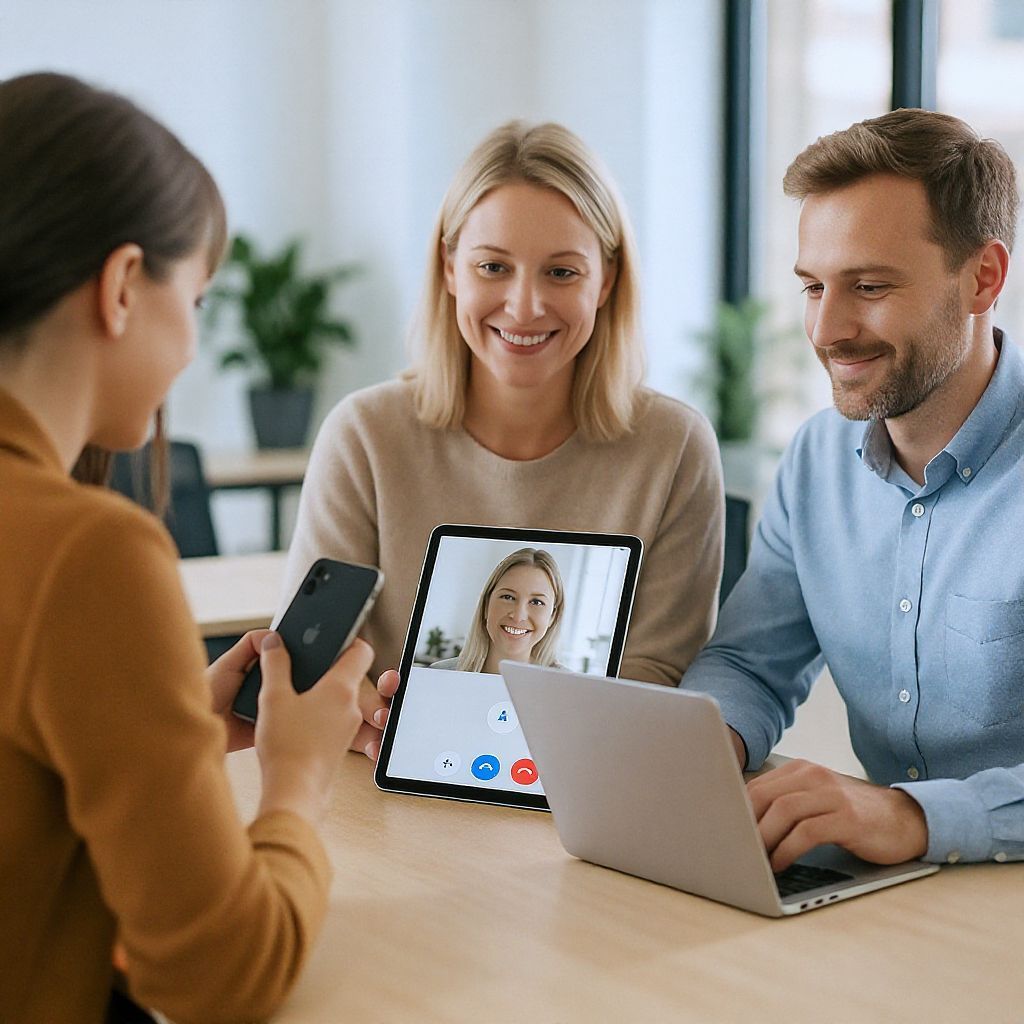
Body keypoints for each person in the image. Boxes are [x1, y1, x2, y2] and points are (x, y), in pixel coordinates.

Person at [0, 72, 374, 1024]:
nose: (194, 347)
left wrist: (169, 734)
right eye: (198, 298)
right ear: (124, 285)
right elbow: (219, 975)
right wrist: (298, 776)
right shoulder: (89, 553)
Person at [286, 120, 725, 753]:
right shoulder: (365, 435)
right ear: (450, 269)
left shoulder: (674, 447)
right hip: (380, 794)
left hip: (581, 792)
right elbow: (309, 659)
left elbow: (659, 676)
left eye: (562, 273)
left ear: (606, 280)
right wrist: (359, 715)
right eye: (493, 266)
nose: (523, 307)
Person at [682, 108, 1022, 871]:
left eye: (868, 286)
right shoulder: (816, 459)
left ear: (983, 278)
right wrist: (700, 749)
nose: (826, 330)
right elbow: (748, 664)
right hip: (889, 903)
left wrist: (910, 816)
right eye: (812, 287)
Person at [429, 547, 565, 672]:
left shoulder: (570, 691)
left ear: (553, 615)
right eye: (508, 597)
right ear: (487, 604)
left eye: (536, 602)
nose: (518, 616)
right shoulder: (438, 675)